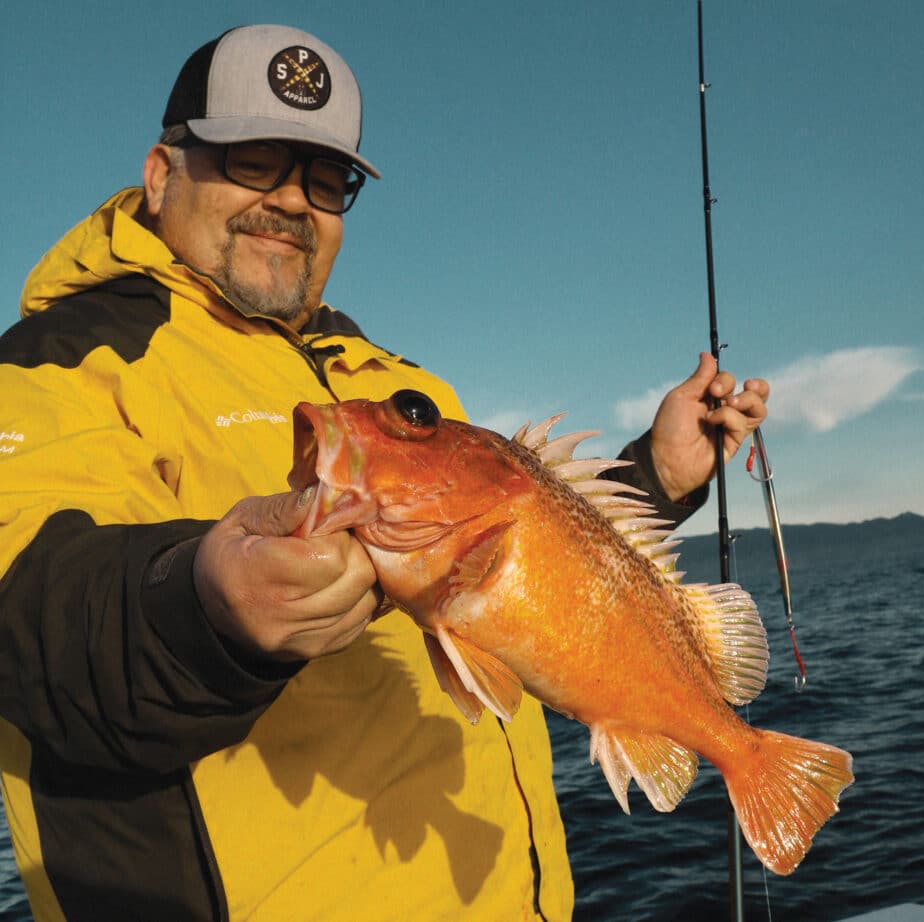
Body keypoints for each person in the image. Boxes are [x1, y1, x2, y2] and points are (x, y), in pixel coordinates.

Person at [0, 24, 769, 922]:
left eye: (326, 181)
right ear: (163, 172)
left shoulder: (385, 382)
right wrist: (203, 606)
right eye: (253, 159)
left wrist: (662, 473)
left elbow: (529, 569)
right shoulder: (55, 364)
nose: (291, 200)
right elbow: (26, 612)